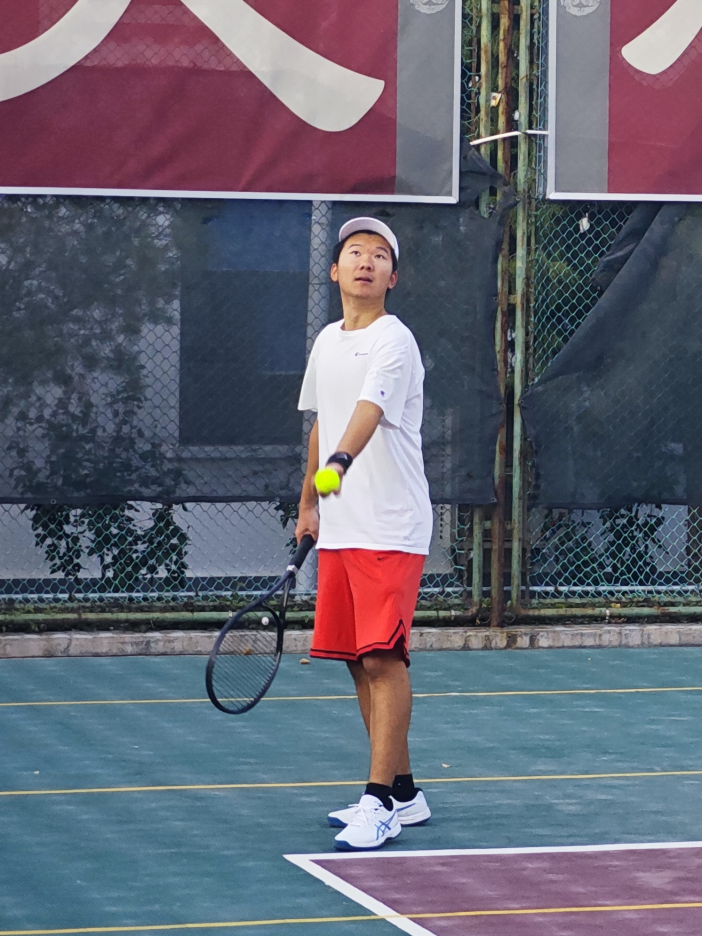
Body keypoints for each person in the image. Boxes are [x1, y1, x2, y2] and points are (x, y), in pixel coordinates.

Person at [296, 217, 433, 851]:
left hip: (391, 525)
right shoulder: (327, 341)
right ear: (335, 271)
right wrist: (310, 504)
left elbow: (367, 414)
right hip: (342, 528)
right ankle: (404, 793)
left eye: (380, 256)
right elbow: (323, 424)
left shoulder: (394, 339)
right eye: (355, 252)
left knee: (384, 657)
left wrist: (339, 467)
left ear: (392, 278)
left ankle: (377, 803)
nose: (366, 262)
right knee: (358, 661)